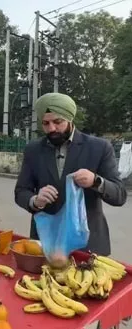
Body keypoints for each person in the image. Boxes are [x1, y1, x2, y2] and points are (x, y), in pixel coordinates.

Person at [14, 92, 127, 256]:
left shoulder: (99, 148)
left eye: (57, 122)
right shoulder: (34, 150)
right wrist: (35, 200)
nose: (51, 128)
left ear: (69, 118)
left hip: (88, 245)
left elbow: (120, 195)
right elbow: (21, 192)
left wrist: (95, 181)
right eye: (46, 123)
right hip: (46, 242)